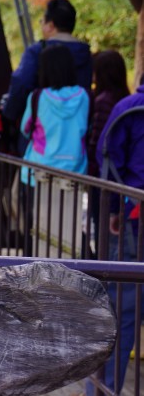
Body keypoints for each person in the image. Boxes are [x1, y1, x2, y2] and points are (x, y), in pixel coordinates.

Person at [85, 75, 144, 395]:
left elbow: (107, 158)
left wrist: (112, 212)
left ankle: (103, 389)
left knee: (122, 312)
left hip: (134, 218)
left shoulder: (128, 108)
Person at [2, 0, 92, 155]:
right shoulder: (85, 54)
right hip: (74, 144)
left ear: (51, 25)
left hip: (41, 140)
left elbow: (21, 84)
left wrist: (10, 114)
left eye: (42, 22)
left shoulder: (37, 51)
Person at [19, 44, 90, 186]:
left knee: (39, 208)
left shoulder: (38, 97)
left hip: (41, 168)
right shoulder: (84, 96)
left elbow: (25, 129)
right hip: (75, 170)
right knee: (70, 208)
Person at [86, 51, 130, 246]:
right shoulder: (124, 97)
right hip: (121, 174)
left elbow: (98, 141)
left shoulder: (103, 100)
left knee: (102, 225)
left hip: (102, 176)